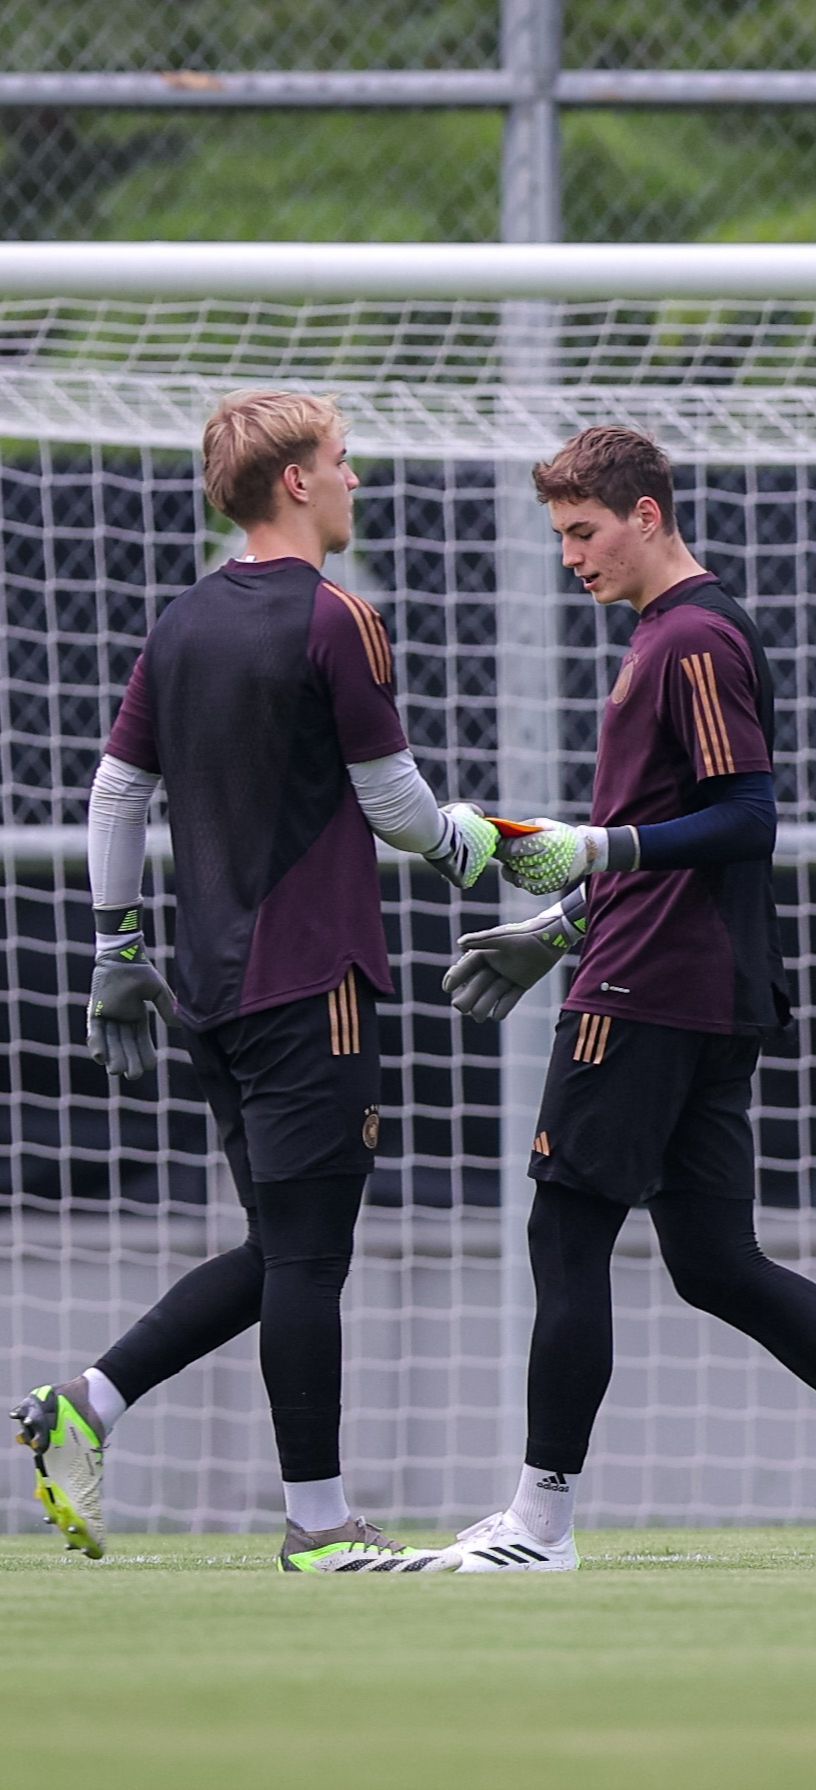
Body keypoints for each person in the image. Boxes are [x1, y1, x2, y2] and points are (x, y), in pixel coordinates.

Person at [443, 425, 816, 1573]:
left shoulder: (692, 636)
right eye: (559, 536)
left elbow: (746, 819)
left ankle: (540, 1523)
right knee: (712, 1260)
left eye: (584, 532)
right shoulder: (674, 632)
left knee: (565, 1227)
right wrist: (561, 921)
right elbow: (686, 833)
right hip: (688, 981)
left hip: (647, 994)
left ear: (647, 514)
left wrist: (596, 849)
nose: (572, 557)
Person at [11, 390, 499, 1575]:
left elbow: (115, 796)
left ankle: (93, 1397)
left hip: (210, 986)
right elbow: (392, 804)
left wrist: (115, 946)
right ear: (293, 481)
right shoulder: (339, 617)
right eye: (339, 460)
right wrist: (466, 845)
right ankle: (320, 1522)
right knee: (311, 1255)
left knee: (282, 1242)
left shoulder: (179, 623)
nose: (353, 479)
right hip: (312, 978)